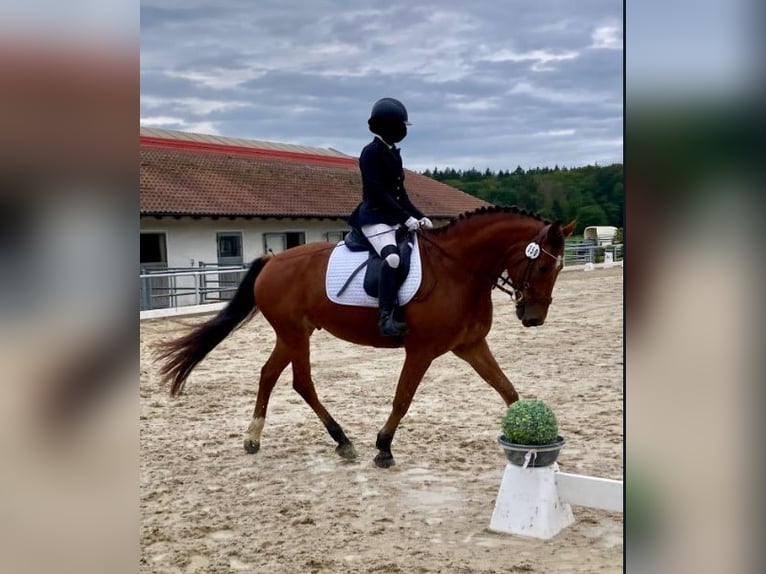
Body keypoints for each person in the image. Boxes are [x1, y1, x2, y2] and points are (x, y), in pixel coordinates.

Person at [347, 97, 433, 337]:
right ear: (387, 126)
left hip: (392, 218)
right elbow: (378, 192)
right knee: (393, 259)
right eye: (400, 125)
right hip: (373, 218)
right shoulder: (370, 152)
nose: (403, 130)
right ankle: (385, 317)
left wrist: (420, 216)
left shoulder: (394, 153)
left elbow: (400, 193)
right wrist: (406, 218)